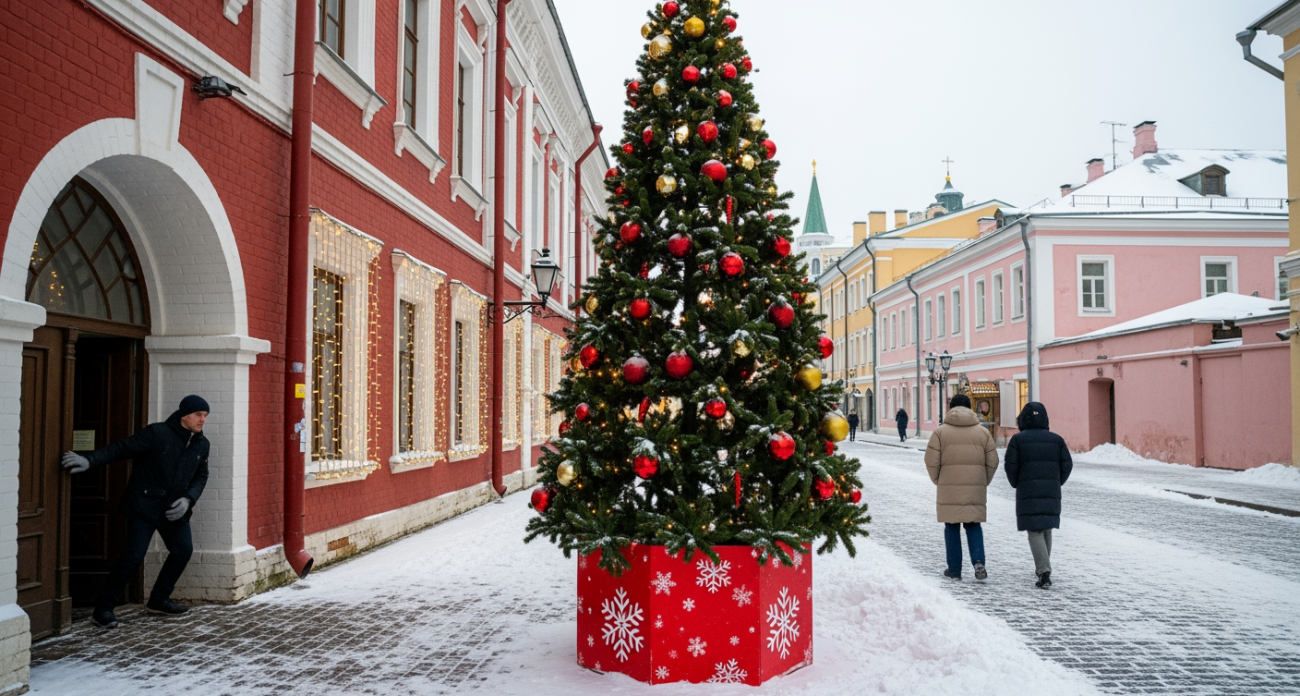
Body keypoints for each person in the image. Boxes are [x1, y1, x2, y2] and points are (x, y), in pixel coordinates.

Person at [61, 395, 211, 628]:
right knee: (133, 556)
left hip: (175, 510)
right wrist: (90, 460)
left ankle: (159, 599)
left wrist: (188, 499)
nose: (203, 420)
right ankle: (103, 609)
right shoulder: (157, 433)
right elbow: (122, 448)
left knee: (183, 550)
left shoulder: (202, 444)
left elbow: (201, 475)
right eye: (199, 415)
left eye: (205, 416)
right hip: (144, 506)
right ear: (185, 415)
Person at [925, 394, 998, 581]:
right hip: (975, 487)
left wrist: (938, 480)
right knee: (973, 524)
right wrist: (983, 480)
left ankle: (955, 570)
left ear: (951, 408)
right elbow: (993, 461)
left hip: (949, 488)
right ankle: (978, 561)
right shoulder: (983, 433)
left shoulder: (940, 433)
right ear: (970, 408)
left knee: (951, 527)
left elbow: (931, 461)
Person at [1004, 402, 1073, 589]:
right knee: (1046, 528)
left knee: (1034, 530)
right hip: (1051, 490)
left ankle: (1044, 572)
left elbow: (1011, 466)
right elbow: (1067, 464)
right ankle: (1044, 567)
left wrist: (1016, 482)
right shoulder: (1056, 440)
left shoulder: (1018, 441)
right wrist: (1056, 481)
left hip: (1028, 490)